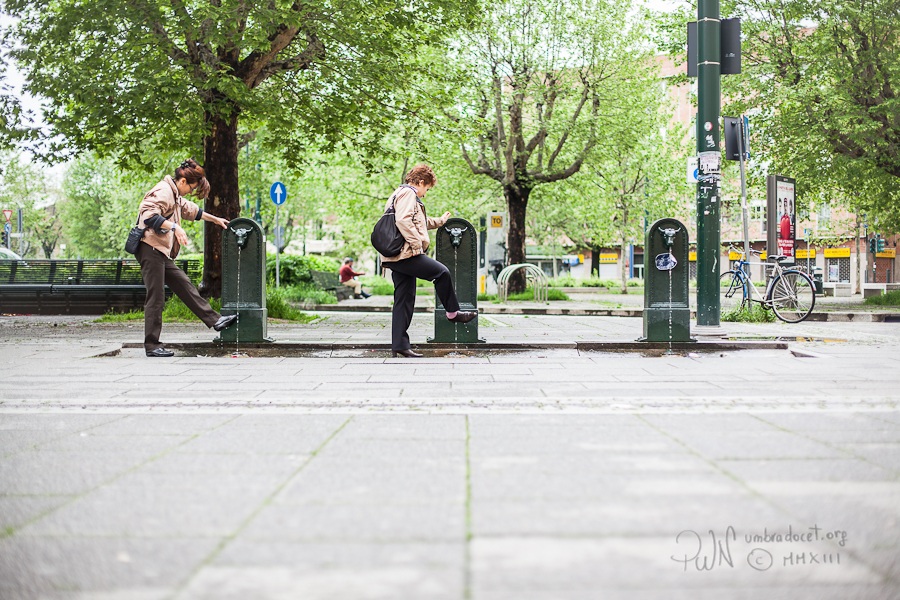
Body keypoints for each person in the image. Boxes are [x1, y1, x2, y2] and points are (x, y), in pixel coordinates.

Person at [135, 159, 238, 357]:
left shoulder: (174, 195)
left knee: (183, 284)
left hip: (160, 251)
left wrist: (215, 219)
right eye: (191, 187)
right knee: (156, 297)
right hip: (149, 248)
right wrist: (175, 227)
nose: (191, 191)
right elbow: (147, 215)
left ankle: (215, 321)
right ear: (183, 181)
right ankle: (152, 345)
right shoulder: (164, 191)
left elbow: (191, 210)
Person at [379, 164, 477, 358]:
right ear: (421, 182)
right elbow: (403, 221)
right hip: (405, 253)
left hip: (395, 255)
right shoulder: (408, 193)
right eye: (427, 189)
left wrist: (439, 221)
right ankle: (453, 313)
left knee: (404, 300)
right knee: (441, 272)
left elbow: (418, 222)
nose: (425, 194)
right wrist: (417, 246)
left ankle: (399, 345)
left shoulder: (397, 193)